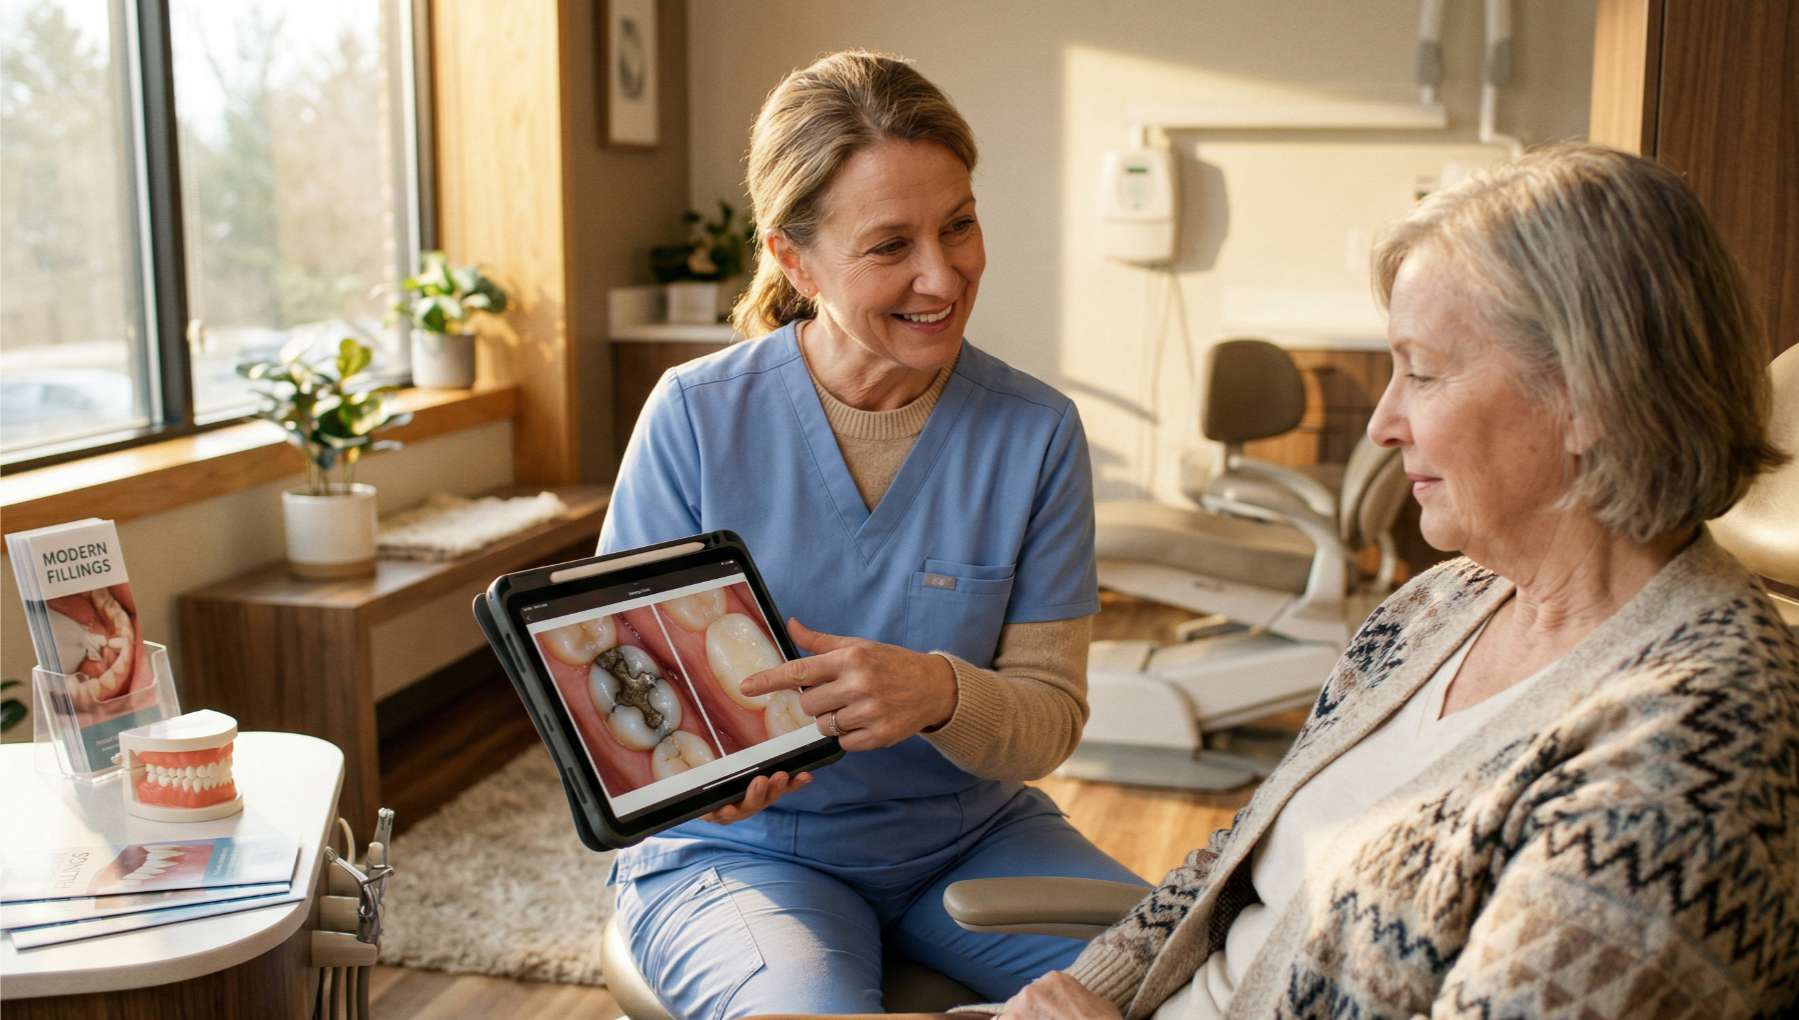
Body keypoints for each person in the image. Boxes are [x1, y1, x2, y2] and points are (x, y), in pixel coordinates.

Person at [997, 144, 1799, 1018]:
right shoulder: (1441, 603)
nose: (1382, 422)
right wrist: (1085, 992)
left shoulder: (1693, 746)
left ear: (1587, 398)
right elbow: (1240, 857)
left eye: (1419, 371)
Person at [599, 50, 1144, 1018]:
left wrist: (939, 692)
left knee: (1191, 985)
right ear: (793, 259)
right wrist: (694, 787)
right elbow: (625, 710)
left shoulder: (1033, 432)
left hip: (973, 835)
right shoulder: (694, 416)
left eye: (959, 226)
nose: (942, 275)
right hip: (744, 855)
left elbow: (1048, 721)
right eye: (890, 245)